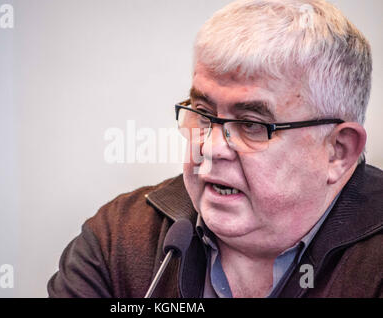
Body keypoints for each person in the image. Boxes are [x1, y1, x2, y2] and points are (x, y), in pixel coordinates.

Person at [48, 0, 382, 298]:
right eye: (203, 114)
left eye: (251, 124)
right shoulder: (117, 238)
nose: (210, 147)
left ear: (338, 151)